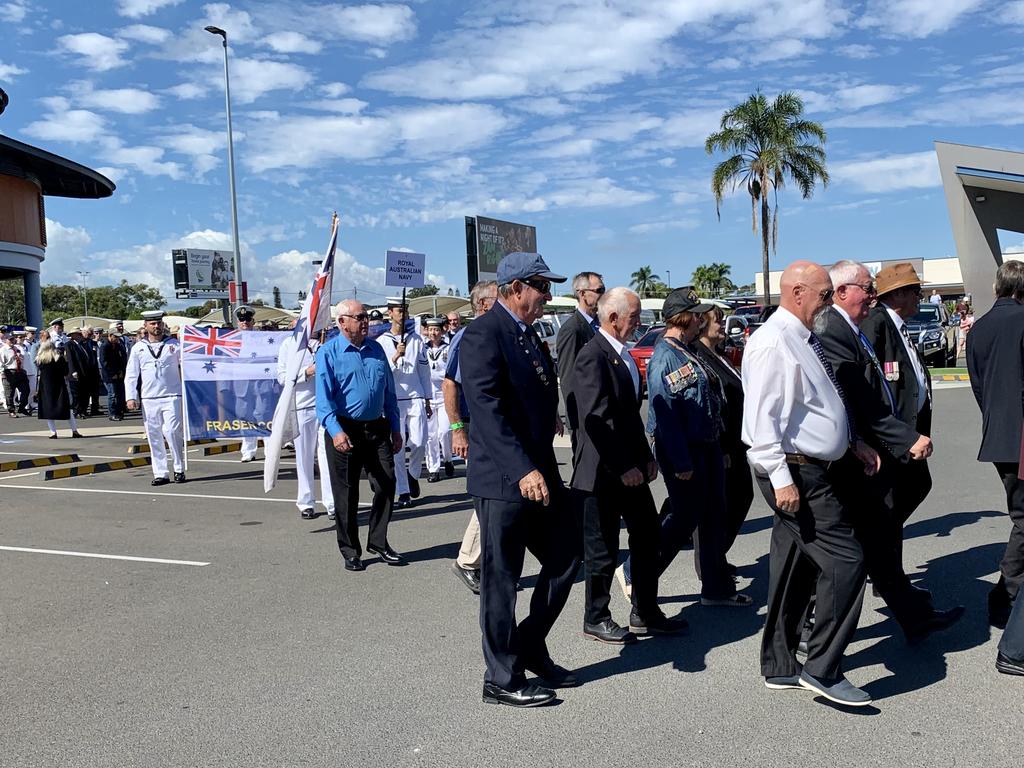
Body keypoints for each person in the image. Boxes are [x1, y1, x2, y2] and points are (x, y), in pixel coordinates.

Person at [743, 261, 880, 708]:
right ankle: (823, 668)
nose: (829, 302)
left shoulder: (801, 337)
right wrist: (782, 479)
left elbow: (815, 406)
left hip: (812, 465)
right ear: (797, 292)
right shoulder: (773, 341)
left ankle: (781, 664)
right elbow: (762, 419)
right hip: (793, 469)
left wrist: (850, 442)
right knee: (846, 559)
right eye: (824, 294)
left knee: (793, 566)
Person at [461, 252, 581, 708]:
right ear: (515, 288)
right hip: (504, 479)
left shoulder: (528, 335)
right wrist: (522, 469)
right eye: (541, 287)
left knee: (567, 558)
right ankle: (501, 677)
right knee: (502, 580)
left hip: (539, 474)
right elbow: (487, 412)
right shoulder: (483, 334)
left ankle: (529, 644)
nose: (548, 295)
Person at [822, 261, 963, 643]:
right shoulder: (870, 325)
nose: (918, 296)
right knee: (873, 534)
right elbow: (866, 391)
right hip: (881, 446)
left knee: (885, 527)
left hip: (894, 439)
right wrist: (897, 437)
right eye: (914, 291)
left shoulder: (886, 326)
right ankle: (816, 631)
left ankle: (903, 602)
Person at [620, 288, 750, 608]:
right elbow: (667, 415)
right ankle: (637, 573)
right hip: (686, 451)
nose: (701, 320)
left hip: (706, 447)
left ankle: (716, 588)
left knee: (713, 519)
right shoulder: (666, 355)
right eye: (697, 315)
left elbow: (706, 402)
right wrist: (680, 461)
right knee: (682, 521)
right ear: (686, 319)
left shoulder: (686, 350)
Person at [573, 287, 688, 645]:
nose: (639, 324)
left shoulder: (621, 355)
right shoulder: (592, 356)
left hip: (630, 468)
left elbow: (628, 418)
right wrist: (624, 465)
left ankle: (645, 610)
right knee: (603, 546)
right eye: (634, 317)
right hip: (604, 471)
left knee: (648, 535)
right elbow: (598, 418)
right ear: (612, 318)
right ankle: (596, 615)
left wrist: (645, 457)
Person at [316, 299, 403, 571]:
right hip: (345, 429)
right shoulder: (328, 353)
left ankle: (378, 541)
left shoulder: (376, 350)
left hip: (377, 427)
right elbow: (323, 400)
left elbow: (389, 393)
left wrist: (396, 428)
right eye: (359, 317)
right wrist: (336, 432)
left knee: (387, 483)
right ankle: (350, 550)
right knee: (347, 493)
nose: (365, 321)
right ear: (342, 322)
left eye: (366, 317)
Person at [966, 259, 1024, 628]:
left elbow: (977, 386)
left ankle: (1007, 595)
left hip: (999, 435)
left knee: (1021, 516)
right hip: (1021, 437)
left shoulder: (979, 328)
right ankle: (1007, 595)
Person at [689, 306, 754, 568]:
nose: (723, 324)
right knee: (715, 509)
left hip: (737, 442)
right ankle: (709, 563)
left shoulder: (720, 354)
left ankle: (716, 556)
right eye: (718, 320)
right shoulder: (698, 355)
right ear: (703, 325)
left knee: (740, 498)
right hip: (721, 444)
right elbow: (710, 406)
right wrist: (723, 446)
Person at [446, 280, 498, 595]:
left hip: (494, 425)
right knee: (490, 496)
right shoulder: (469, 336)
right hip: (474, 424)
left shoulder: (498, 331)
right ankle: (468, 561)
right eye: (498, 297)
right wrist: (457, 429)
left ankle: (491, 563)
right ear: (481, 304)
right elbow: (450, 384)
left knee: (498, 498)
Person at [376, 298, 432, 508]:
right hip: (394, 398)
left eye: (405, 309)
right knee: (397, 448)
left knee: (419, 442)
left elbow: (424, 371)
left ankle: (413, 473)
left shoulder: (416, 339)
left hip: (416, 394)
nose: (403, 313)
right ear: (390, 313)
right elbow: (380, 373)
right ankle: (403, 491)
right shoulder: (382, 341)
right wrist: (395, 356)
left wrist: (427, 398)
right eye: (400, 310)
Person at [277, 331, 335, 520]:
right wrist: (307, 372)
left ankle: (332, 503)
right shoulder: (289, 345)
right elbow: (282, 377)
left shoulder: (326, 343)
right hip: (303, 406)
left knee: (328, 457)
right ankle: (306, 501)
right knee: (304, 457)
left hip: (326, 407)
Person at [125, 310, 186, 486]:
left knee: (173, 431)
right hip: (149, 397)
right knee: (154, 435)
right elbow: (131, 374)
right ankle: (160, 472)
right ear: (146, 326)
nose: (156, 326)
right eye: (152, 323)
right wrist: (131, 396)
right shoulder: (138, 348)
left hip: (172, 395)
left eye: (158, 323)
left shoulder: (174, 344)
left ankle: (179, 468)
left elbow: (186, 366)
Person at [556, 271, 604, 454]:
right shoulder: (572, 330)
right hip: (585, 421)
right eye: (599, 290)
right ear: (582, 293)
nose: (603, 294)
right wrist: (578, 422)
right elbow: (568, 379)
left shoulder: (600, 325)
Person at [423, 316, 453, 483]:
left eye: (436, 329)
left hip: (443, 397)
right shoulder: (422, 349)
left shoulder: (448, 349)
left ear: (442, 331)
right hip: (428, 397)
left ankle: (448, 459)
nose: (433, 333)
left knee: (444, 432)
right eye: (431, 329)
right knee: (430, 436)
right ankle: (433, 468)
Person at [34, 338, 81, 439]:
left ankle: (53, 432)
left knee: (48, 409)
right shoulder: (59, 358)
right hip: (59, 385)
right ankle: (74, 431)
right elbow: (65, 372)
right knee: (66, 408)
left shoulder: (40, 360)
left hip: (46, 387)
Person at [233, 305, 261, 462]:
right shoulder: (232, 340)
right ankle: (248, 449)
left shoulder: (262, 339)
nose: (245, 322)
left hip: (260, 384)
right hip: (241, 384)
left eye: (248, 319)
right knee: (244, 417)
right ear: (237, 322)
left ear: (253, 321)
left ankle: (269, 448)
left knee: (263, 415)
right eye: (242, 319)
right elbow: (225, 363)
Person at [98, 329, 128, 421]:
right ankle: (112, 413)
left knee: (120, 394)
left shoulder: (118, 346)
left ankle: (119, 411)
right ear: (110, 336)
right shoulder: (105, 346)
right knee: (112, 394)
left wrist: (121, 371)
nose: (117, 339)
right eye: (115, 337)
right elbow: (104, 362)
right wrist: (112, 374)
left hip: (119, 373)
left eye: (118, 337)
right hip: (109, 375)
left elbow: (122, 359)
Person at [1, 334, 31, 417]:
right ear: (5, 340)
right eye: (10, 340)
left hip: (20, 372)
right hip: (9, 372)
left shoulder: (16, 348)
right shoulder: (3, 350)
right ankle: (11, 410)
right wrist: (3, 373)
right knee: (10, 393)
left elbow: (21, 359)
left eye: (12, 339)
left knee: (26, 390)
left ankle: (22, 407)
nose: (12, 341)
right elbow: (1, 363)